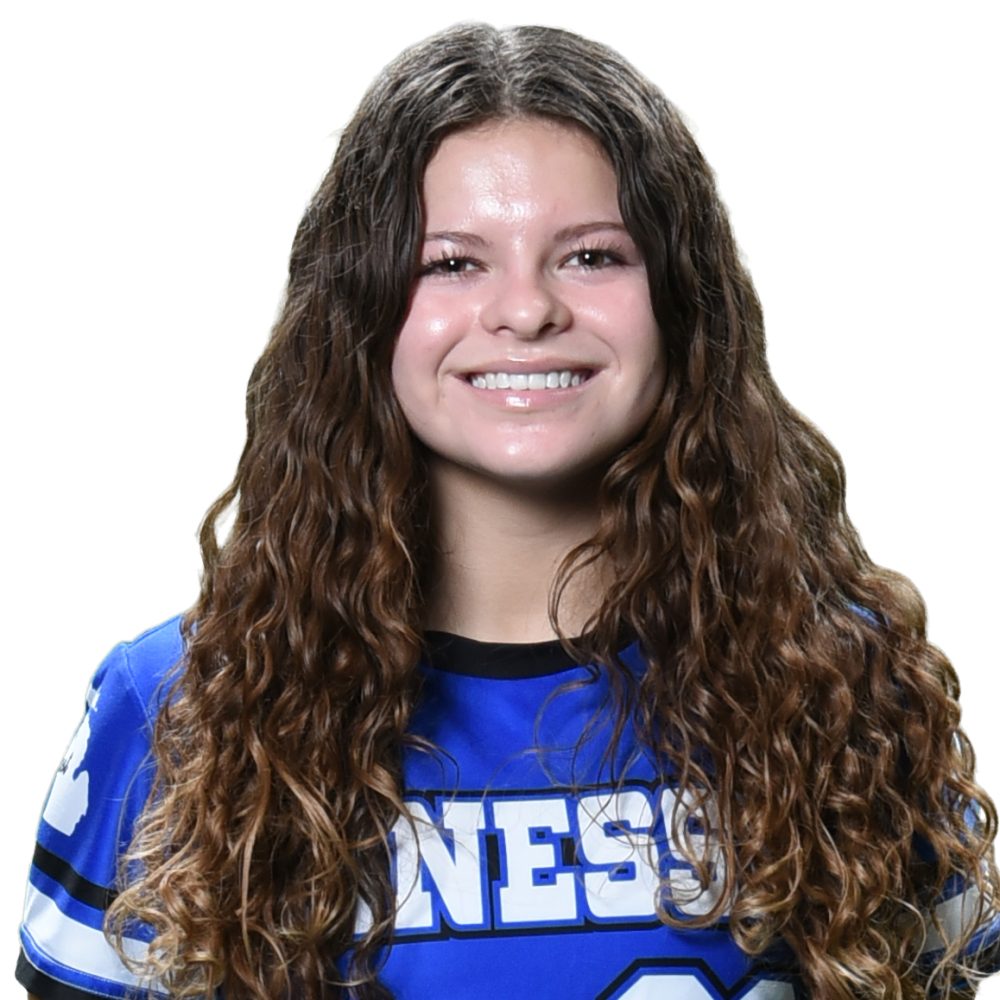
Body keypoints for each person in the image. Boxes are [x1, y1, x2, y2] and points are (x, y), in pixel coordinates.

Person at [15, 21, 1000, 1000]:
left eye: (592, 256)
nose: (526, 310)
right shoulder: (182, 704)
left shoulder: (838, 688)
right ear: (360, 310)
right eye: (451, 263)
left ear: (682, 301)